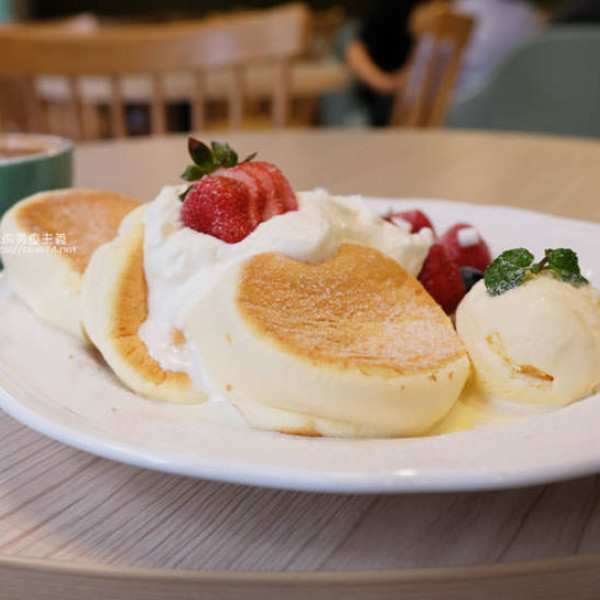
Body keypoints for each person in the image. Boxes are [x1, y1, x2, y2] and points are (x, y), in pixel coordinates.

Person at [345, 0, 426, 126]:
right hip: (383, 103)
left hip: (416, 103)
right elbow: (354, 51)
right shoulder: (393, 6)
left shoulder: (447, 10)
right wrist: (387, 85)